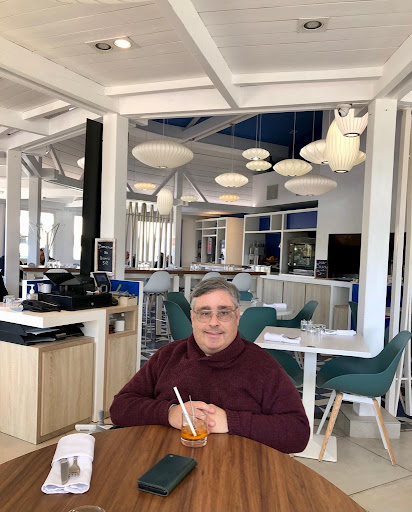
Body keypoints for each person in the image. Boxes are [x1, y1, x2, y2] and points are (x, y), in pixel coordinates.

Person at [110, 278, 310, 453]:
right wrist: (169, 412)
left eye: (224, 313)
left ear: (237, 317)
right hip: (165, 463)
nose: (214, 322)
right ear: (192, 318)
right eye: (204, 313)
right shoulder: (168, 356)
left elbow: (298, 432)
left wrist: (231, 422)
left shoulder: (263, 365)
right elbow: (120, 407)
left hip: (237, 472)